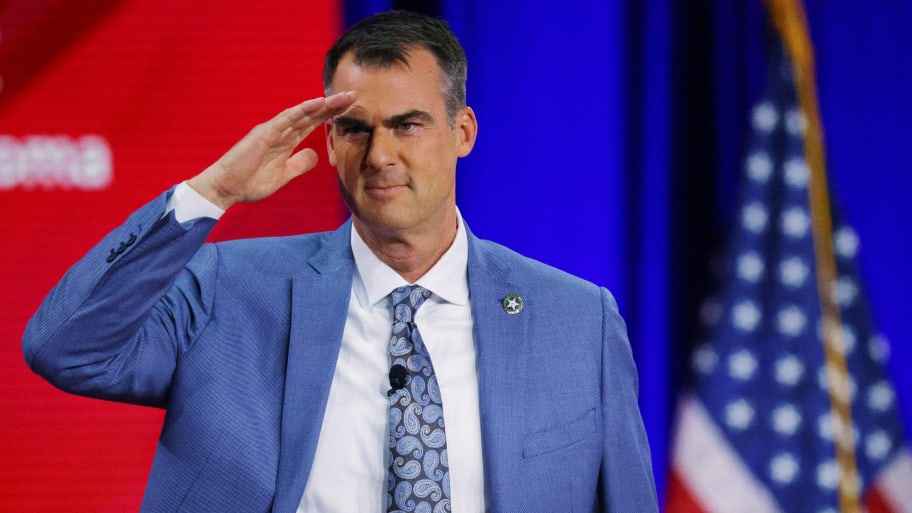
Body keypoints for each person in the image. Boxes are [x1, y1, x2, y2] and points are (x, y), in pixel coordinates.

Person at [22, 10, 657, 513]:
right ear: (329, 142)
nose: (380, 154)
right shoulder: (228, 289)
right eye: (357, 129)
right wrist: (210, 193)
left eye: (407, 125)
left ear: (462, 133)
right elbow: (65, 347)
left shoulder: (578, 320)